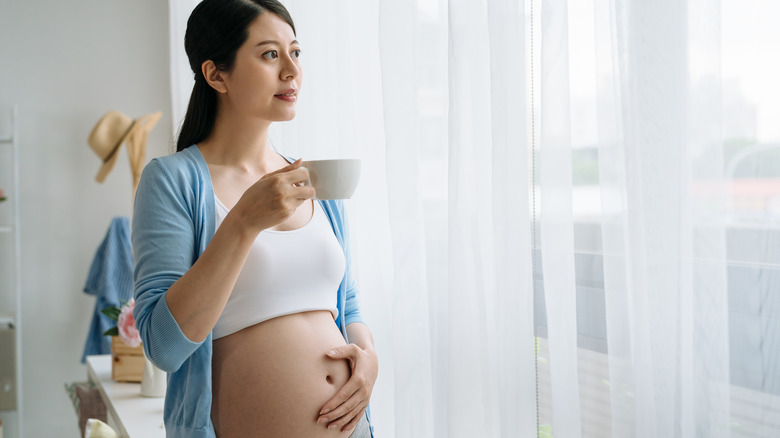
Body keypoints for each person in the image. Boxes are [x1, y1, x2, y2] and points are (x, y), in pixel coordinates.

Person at [131, 1, 378, 437]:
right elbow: (163, 347)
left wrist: (368, 357)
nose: (291, 71)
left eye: (295, 53)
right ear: (216, 74)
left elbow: (347, 303)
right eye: (269, 54)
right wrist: (243, 222)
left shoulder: (315, 177)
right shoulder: (172, 181)